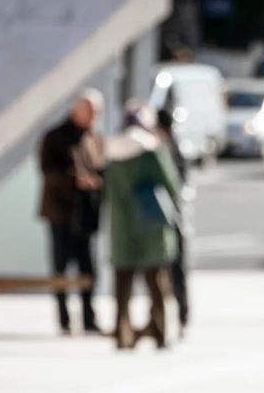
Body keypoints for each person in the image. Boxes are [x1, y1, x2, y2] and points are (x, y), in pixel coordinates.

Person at [104, 103, 183, 350]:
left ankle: (122, 332)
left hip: (122, 225)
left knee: (122, 285)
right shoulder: (152, 150)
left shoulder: (113, 153)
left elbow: (106, 192)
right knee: (156, 284)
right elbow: (172, 184)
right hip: (152, 223)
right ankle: (159, 332)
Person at [38, 89, 106, 335]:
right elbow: (49, 172)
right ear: (77, 110)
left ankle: (89, 318)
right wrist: (76, 181)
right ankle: (64, 319)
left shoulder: (94, 138)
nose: (95, 116)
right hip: (61, 213)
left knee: (88, 269)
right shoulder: (55, 137)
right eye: (91, 111)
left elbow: (101, 169)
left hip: (86, 214)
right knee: (61, 268)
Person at [156, 108, 191, 336]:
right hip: (169, 217)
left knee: (174, 269)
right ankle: (175, 317)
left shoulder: (168, 150)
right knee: (169, 271)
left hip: (170, 217)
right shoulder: (170, 148)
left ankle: (180, 316)